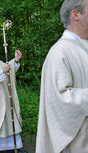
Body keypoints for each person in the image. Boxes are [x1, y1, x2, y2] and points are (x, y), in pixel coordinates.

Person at [36, 0, 88, 153]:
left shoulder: (83, 45)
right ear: (75, 14)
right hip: (77, 143)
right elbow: (60, 100)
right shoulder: (60, 52)